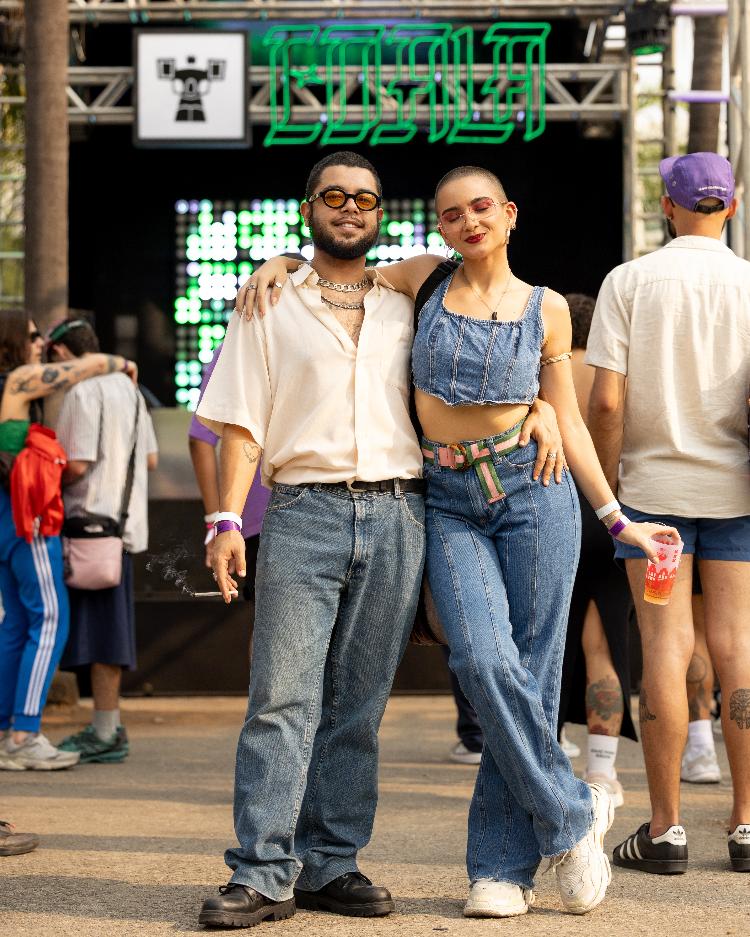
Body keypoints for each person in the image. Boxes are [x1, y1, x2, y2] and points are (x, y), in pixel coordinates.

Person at [242, 163, 677, 918]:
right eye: (451, 213)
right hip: (446, 497)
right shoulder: (422, 279)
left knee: (536, 675)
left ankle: (502, 869)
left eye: (482, 208)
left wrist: (616, 517)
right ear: (439, 226)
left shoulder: (546, 310)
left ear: (509, 214)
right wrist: (276, 261)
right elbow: (339, 268)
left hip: (535, 492)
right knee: (480, 658)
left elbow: (568, 418)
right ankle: (575, 806)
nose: (468, 221)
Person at [196, 151, 563, 929]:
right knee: (281, 698)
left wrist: (544, 407)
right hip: (302, 511)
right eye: (333, 196)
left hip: (403, 512)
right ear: (309, 211)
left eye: (364, 197)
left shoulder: (416, 295)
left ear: (381, 214)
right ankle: (263, 870)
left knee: (358, 706)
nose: (350, 206)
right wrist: (227, 518)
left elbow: (487, 368)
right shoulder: (270, 298)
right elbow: (239, 423)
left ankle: (331, 863)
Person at [586, 152, 750, 875]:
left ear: (666, 206)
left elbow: (608, 401)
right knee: (739, 648)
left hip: (651, 499)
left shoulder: (629, 282)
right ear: (733, 207)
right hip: (738, 492)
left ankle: (665, 830)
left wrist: (610, 487)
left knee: (663, 649)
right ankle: (746, 827)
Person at [0, 309, 138, 770]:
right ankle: (23, 733)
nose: (40, 343)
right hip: (27, 519)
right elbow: (81, 367)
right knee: (50, 620)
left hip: (5, 518)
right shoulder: (17, 381)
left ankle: (7, 731)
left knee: (17, 625)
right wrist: (117, 363)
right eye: (34, 335)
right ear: (13, 342)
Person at [39, 318, 158, 765]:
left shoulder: (84, 392)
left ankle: (105, 731)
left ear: (63, 355)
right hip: (121, 528)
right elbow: (148, 459)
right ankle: (105, 727)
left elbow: (77, 464)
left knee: (93, 633)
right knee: (108, 631)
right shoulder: (129, 390)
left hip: (87, 526)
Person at [557, 293, 637, 809]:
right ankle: (602, 771)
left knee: (543, 639)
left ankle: (544, 751)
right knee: (603, 641)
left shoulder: (553, 367)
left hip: (554, 506)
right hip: (609, 506)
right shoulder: (610, 370)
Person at [188, 343, 270, 598]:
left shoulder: (237, 346)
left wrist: (216, 521)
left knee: (265, 625)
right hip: (308, 506)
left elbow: (200, 437)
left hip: (255, 515)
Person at [682, 569, 722, 783]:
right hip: (733, 537)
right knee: (736, 640)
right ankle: (702, 748)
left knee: (668, 637)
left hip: (670, 538)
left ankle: (700, 747)